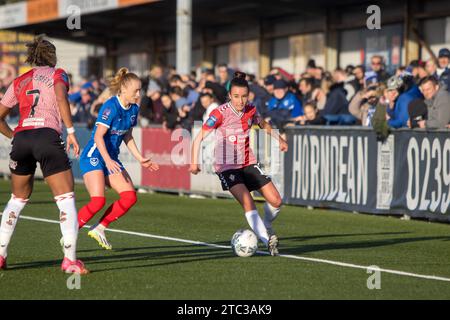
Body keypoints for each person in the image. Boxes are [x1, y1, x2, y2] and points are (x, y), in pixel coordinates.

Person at [0, 35, 88, 274]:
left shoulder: (19, 80)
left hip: (23, 138)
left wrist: (14, 136)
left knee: (16, 200)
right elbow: (60, 97)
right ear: (53, 57)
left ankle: (0, 255)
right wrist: (71, 131)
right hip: (47, 136)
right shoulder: (58, 73)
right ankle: (69, 260)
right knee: (66, 198)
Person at [190, 71, 288, 256]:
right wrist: (193, 162)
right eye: (236, 96)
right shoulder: (219, 113)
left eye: (244, 96)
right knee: (248, 202)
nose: (240, 101)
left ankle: (266, 225)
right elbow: (198, 138)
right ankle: (268, 240)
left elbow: (264, 124)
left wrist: (279, 139)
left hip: (248, 162)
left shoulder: (251, 110)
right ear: (229, 96)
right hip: (227, 167)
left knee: (276, 200)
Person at [77, 68, 159, 250]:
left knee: (130, 197)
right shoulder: (110, 106)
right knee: (98, 201)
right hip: (95, 155)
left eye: (140, 91)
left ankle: (99, 228)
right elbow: (98, 137)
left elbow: (127, 135)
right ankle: (70, 232)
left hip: (110, 158)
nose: (139, 95)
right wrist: (107, 160)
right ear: (123, 89)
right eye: (136, 91)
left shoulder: (134, 109)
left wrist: (140, 158)